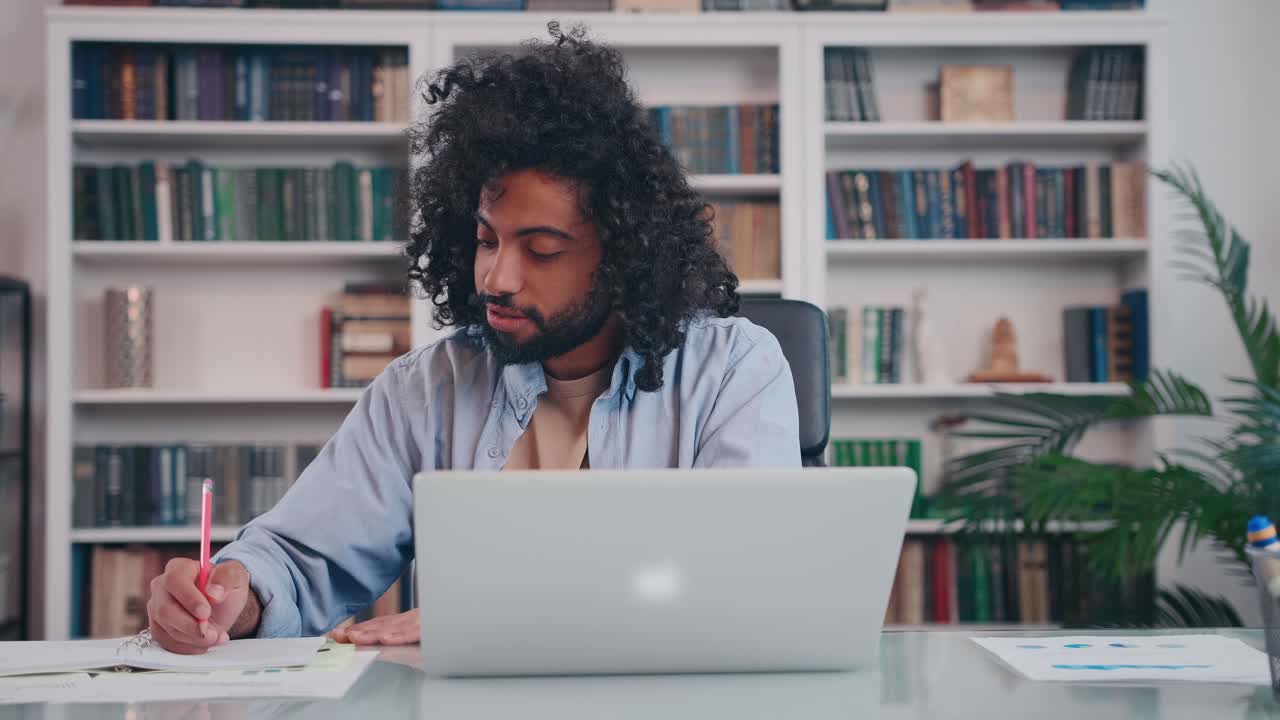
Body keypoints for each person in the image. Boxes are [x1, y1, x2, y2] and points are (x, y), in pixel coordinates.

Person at [144, 23, 800, 654]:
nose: (497, 277)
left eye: (542, 250)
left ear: (625, 255)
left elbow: (741, 579)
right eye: (487, 240)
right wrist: (236, 595)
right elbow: (302, 557)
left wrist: (498, 618)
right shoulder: (426, 388)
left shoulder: (733, 369)